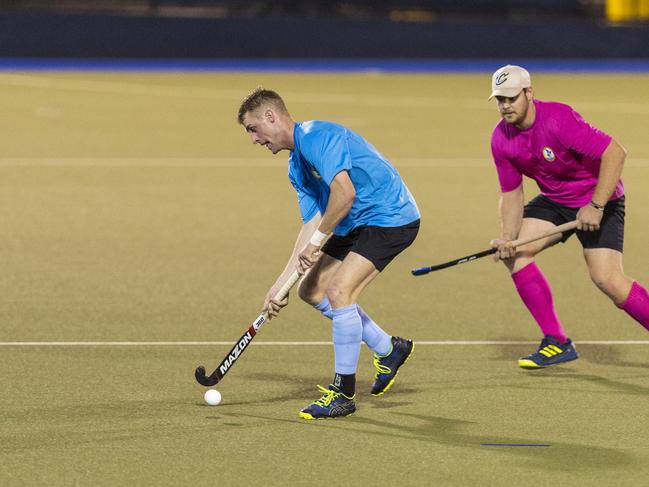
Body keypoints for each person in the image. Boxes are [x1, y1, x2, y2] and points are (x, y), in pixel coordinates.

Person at [237, 88, 420, 419]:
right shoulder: (296, 167)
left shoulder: (319, 136)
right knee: (311, 289)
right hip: (355, 222)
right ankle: (389, 349)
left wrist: (318, 241)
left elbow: (344, 194)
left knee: (339, 292)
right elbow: (313, 224)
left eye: (252, 129)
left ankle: (344, 394)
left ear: (270, 116)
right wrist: (279, 286)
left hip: (391, 216)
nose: (253, 139)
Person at [488, 64, 649, 369]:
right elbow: (511, 193)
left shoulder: (558, 119)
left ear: (529, 93)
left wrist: (597, 206)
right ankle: (557, 341)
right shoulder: (501, 139)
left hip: (600, 197)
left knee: (608, 280)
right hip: (555, 200)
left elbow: (616, 153)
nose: (506, 105)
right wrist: (508, 238)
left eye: (511, 98)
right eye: (500, 99)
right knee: (517, 254)